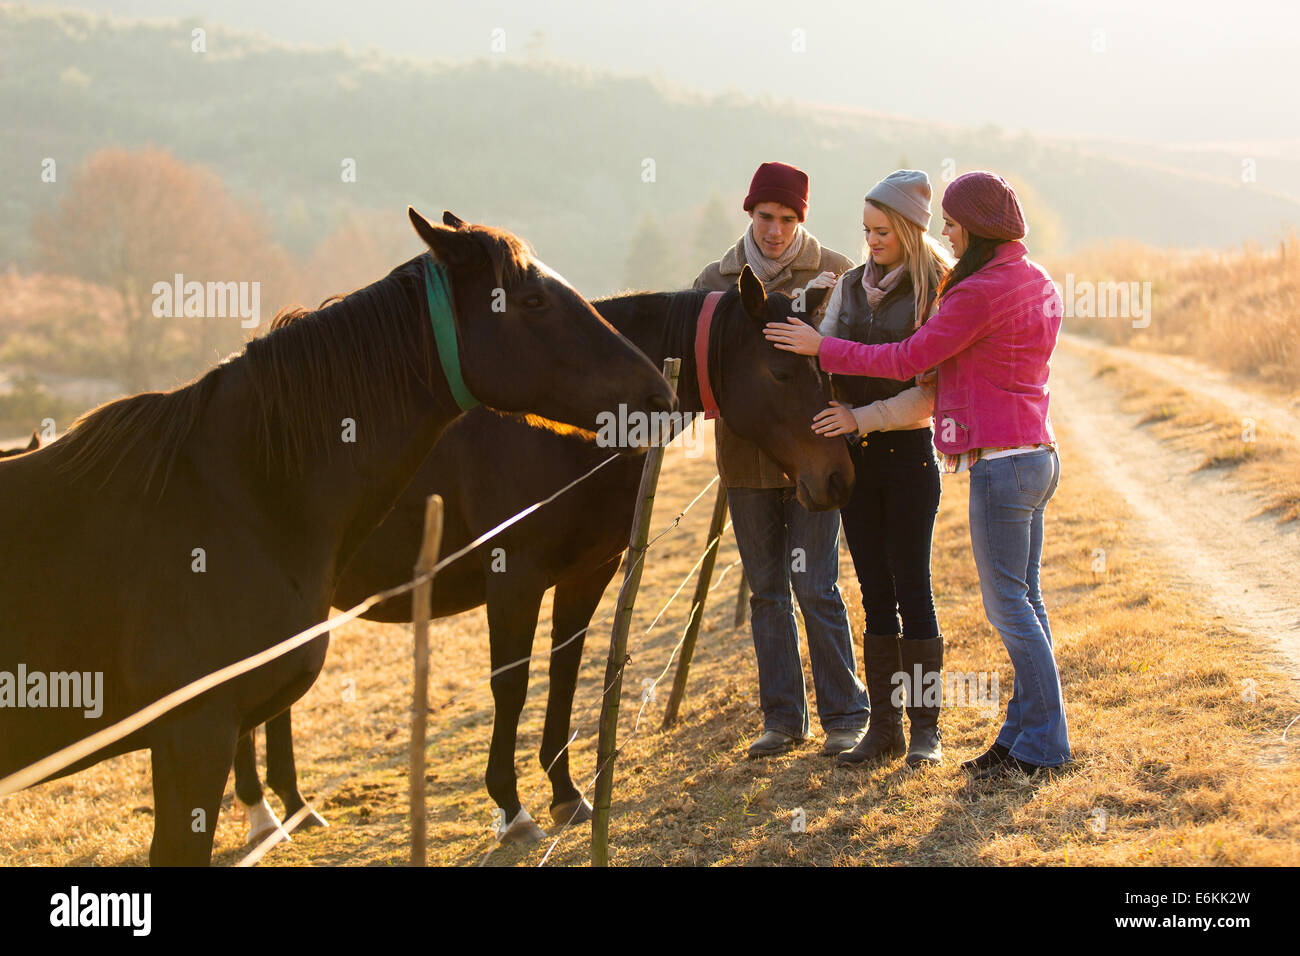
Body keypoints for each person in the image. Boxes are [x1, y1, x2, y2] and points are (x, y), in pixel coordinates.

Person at [764, 170, 1070, 777]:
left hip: (982, 459)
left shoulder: (968, 291)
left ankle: (1037, 742)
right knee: (1013, 601)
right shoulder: (1030, 278)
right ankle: (1003, 734)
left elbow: (912, 362)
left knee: (1003, 605)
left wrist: (836, 370)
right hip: (1024, 452)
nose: (949, 236)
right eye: (866, 231)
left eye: (953, 225)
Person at [694, 160, 869, 758]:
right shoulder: (713, 283)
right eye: (766, 217)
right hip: (745, 462)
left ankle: (846, 715)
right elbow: (700, 372)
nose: (775, 230)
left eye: (787, 219)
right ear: (750, 213)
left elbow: (857, 360)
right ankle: (782, 720)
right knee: (766, 590)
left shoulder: (837, 274)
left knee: (815, 583)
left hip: (815, 455)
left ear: (802, 219)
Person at [800, 170, 953, 767]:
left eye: (883, 231)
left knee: (914, 590)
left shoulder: (936, 291)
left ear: (911, 230)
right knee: (873, 594)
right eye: (866, 230)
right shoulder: (848, 287)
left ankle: (926, 732)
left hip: (909, 460)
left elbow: (928, 394)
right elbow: (824, 354)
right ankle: (883, 727)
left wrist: (860, 418)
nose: (872, 241)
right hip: (855, 463)